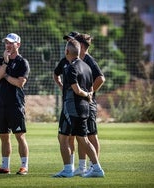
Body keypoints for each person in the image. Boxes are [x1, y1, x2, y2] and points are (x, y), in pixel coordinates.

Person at [53, 39, 104, 178]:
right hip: (84, 107)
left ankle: (68, 169)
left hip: (72, 108)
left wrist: (85, 94)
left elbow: (76, 90)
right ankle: (97, 168)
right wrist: (89, 95)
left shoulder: (70, 68)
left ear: (67, 51)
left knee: (63, 138)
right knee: (83, 139)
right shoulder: (86, 67)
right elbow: (92, 87)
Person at [0, 33, 30, 175]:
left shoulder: (22, 62)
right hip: (2, 104)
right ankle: (5, 166)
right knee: (4, 136)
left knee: (20, 135)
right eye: (6, 43)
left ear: (18, 44)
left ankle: (24, 166)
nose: (8, 45)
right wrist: (5, 63)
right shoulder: (1, 61)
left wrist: (5, 75)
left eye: (11, 43)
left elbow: (20, 83)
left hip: (16, 104)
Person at [73, 33, 105, 176]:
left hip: (89, 103)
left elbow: (101, 78)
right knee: (82, 134)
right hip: (82, 102)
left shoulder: (89, 60)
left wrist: (90, 91)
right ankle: (82, 166)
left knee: (91, 135)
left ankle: (94, 166)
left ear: (82, 46)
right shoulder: (79, 60)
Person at [53, 31, 79, 171]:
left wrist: (86, 93)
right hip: (67, 103)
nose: (67, 42)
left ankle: (82, 166)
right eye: (67, 40)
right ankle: (72, 166)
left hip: (79, 104)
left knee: (78, 137)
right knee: (68, 137)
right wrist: (62, 86)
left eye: (70, 40)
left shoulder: (83, 62)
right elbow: (56, 74)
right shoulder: (64, 61)